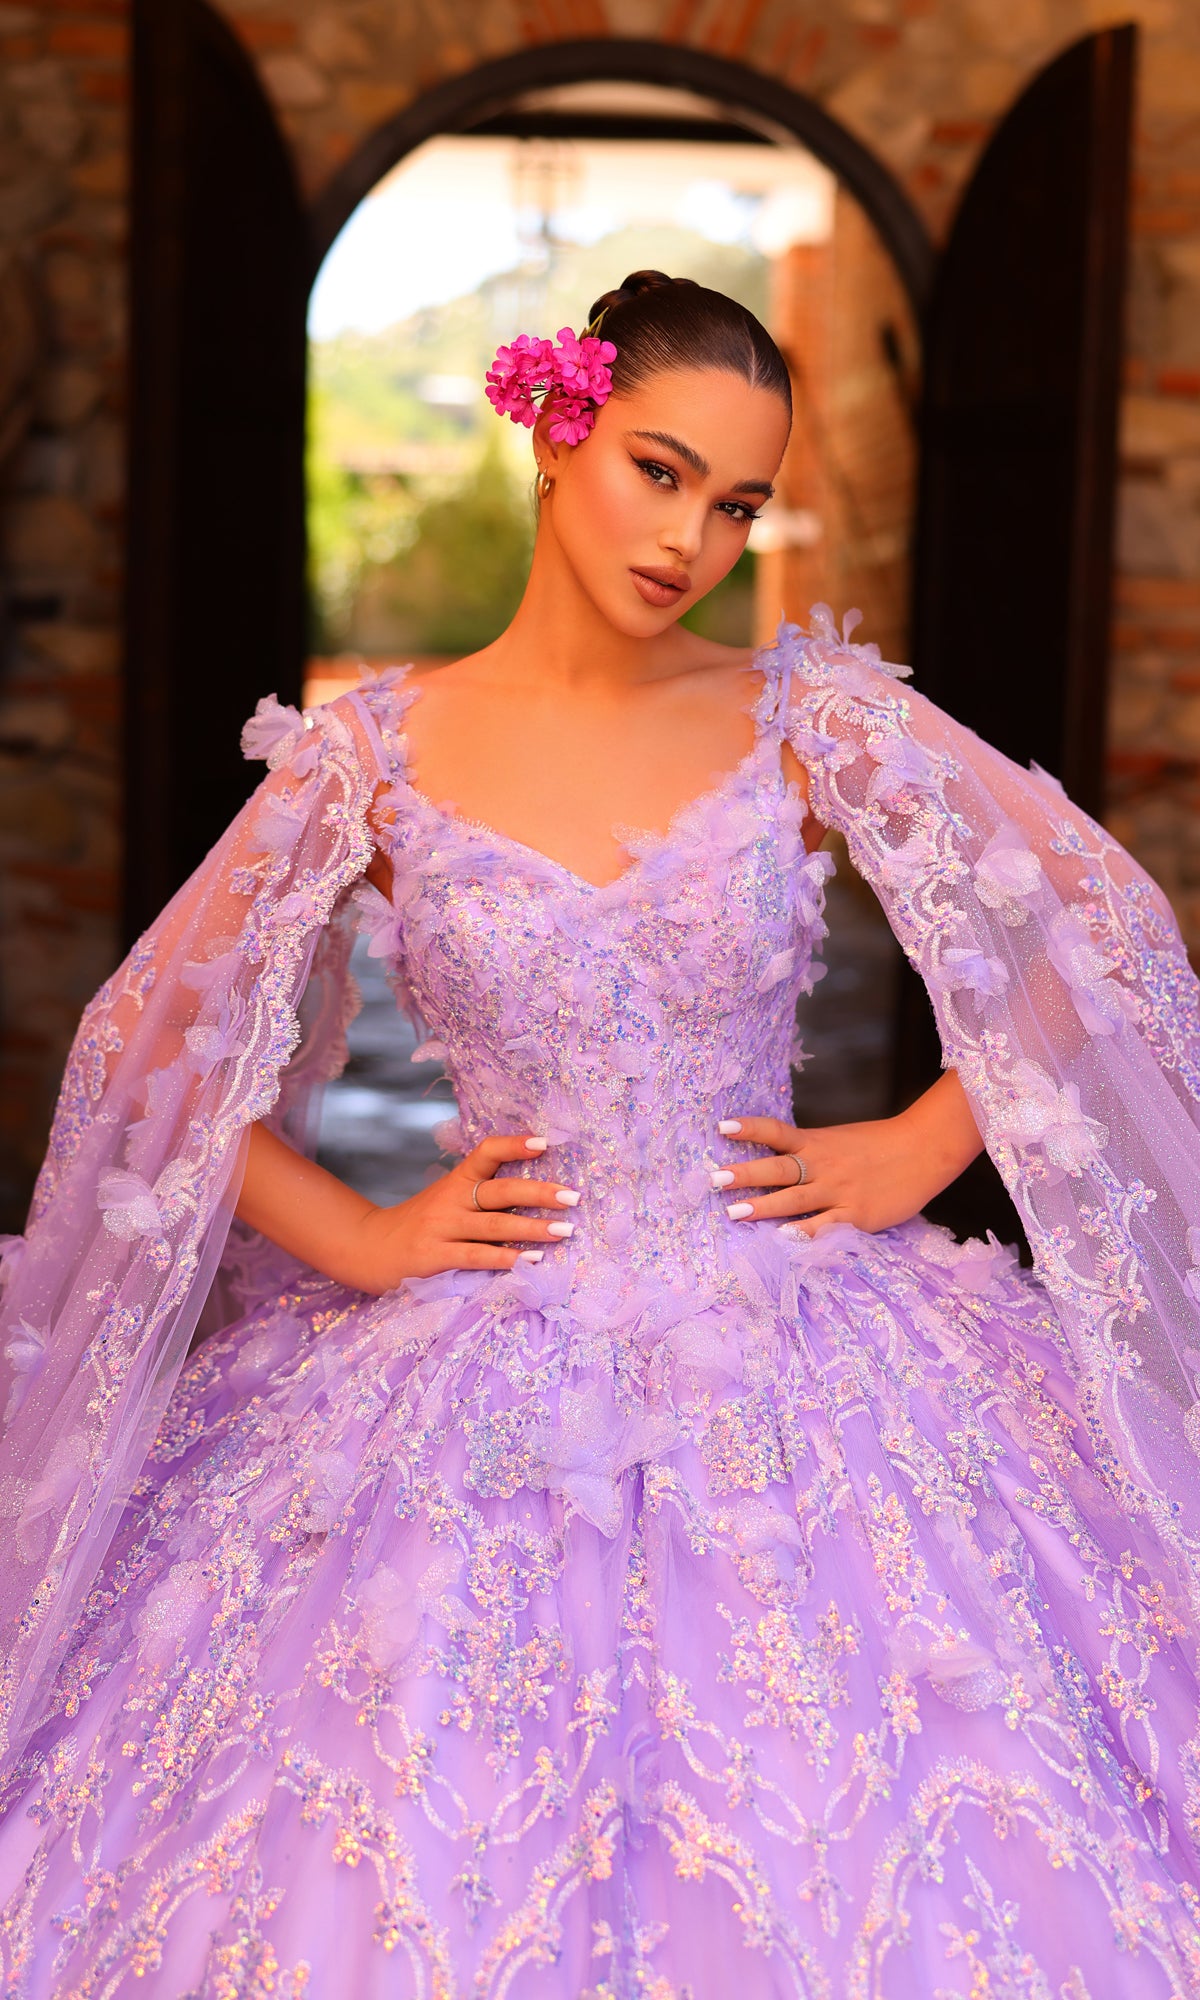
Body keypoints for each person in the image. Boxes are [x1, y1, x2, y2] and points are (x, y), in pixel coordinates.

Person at [1, 271, 1199, 1998]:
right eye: (660, 469)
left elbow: (1109, 931)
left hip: (804, 1350)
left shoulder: (807, 713)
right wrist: (357, 1236)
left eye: (738, 503)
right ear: (556, 426)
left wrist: (927, 1142)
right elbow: (142, 1049)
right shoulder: (371, 758)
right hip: (473, 1367)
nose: (692, 539)